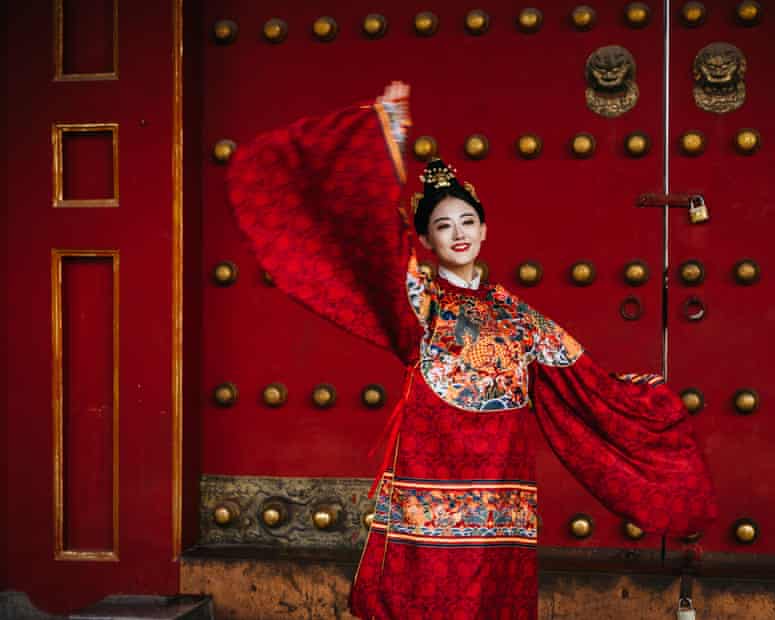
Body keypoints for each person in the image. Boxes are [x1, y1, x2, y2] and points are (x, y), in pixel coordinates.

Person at [226, 81, 717, 619]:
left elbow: (586, 386)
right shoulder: (420, 300)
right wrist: (387, 133)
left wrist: (648, 405)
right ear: (427, 240)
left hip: (503, 494)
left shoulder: (519, 315)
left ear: (484, 230)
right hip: (430, 487)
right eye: (442, 226)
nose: (457, 233)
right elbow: (371, 239)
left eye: (466, 221)